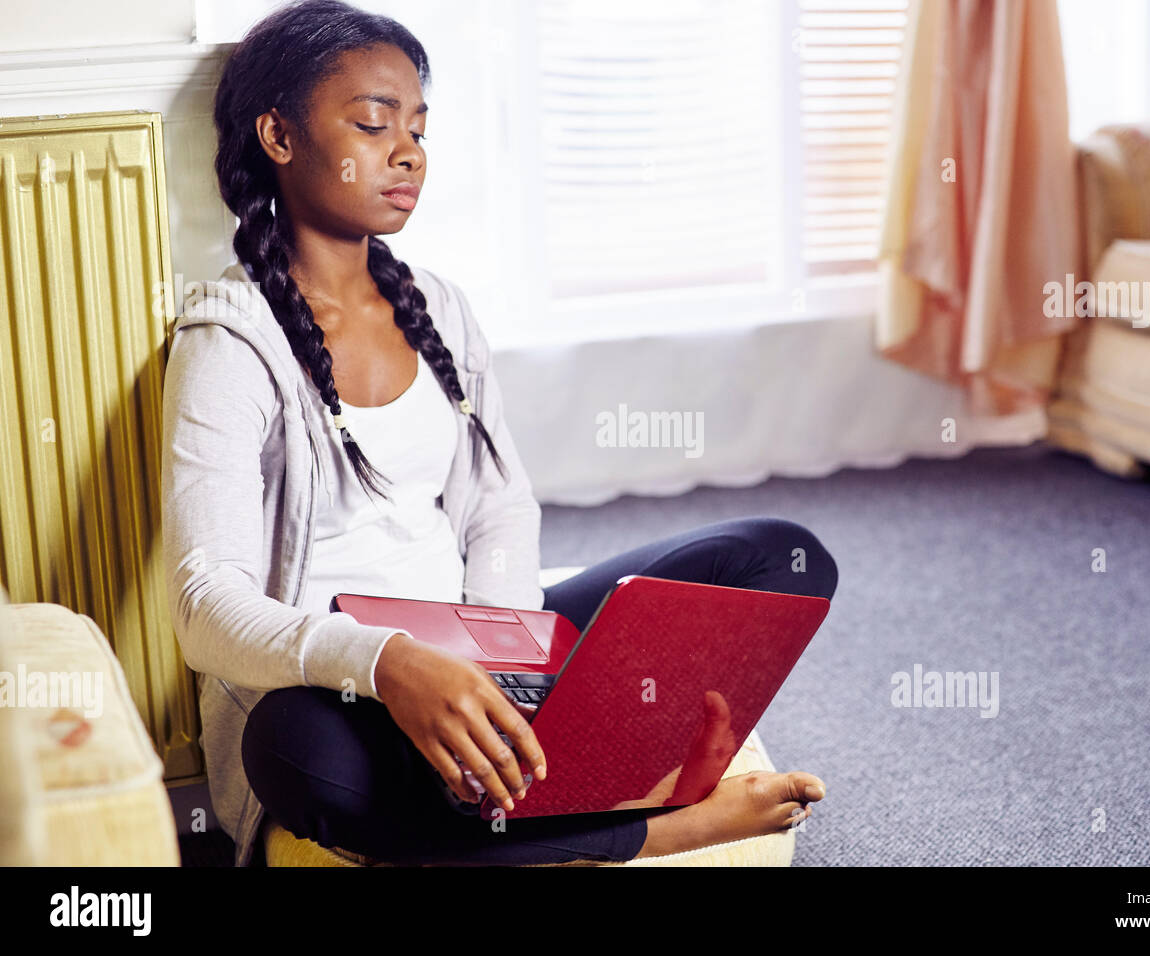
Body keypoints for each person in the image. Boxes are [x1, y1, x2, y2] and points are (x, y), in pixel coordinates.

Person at [162, 0, 837, 867]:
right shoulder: (230, 341)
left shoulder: (438, 307)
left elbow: (500, 512)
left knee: (780, 557)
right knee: (295, 757)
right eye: (373, 123)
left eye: (419, 128)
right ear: (279, 137)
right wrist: (390, 664)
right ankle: (660, 825)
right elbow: (203, 607)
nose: (408, 152)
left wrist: (510, 670)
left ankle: (558, 774)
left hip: (482, 648)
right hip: (341, 688)